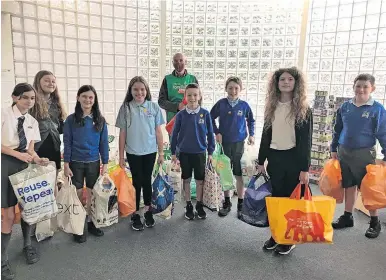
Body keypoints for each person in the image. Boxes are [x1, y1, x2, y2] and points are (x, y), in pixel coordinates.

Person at [257, 67, 313, 255]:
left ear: (296, 83)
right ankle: (275, 235)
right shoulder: (271, 106)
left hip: (294, 159)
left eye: (290, 79)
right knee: (276, 200)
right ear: (276, 83)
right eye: (282, 79)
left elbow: (306, 141)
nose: (286, 82)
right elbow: (265, 135)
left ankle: (288, 238)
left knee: (290, 201)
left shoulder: (303, 109)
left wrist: (305, 168)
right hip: (275, 157)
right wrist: (260, 160)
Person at [1, 83, 49, 280]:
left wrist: (38, 159)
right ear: (14, 97)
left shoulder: (32, 121)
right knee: (9, 215)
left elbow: (30, 149)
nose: (29, 101)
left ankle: (27, 245)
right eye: (25, 97)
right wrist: (17, 155)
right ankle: (2, 259)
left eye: (32, 98)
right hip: (6, 164)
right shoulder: (3, 114)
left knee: (28, 208)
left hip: (25, 166)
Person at [331, 73, 386, 239]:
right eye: (358, 86)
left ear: (372, 88)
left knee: (367, 187)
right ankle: (347, 216)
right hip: (344, 151)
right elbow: (337, 129)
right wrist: (334, 148)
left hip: (364, 153)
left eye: (365, 86)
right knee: (349, 184)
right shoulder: (345, 107)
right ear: (353, 87)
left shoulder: (377, 109)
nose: (361, 89)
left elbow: (383, 133)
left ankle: (374, 222)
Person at [116, 76, 165, 231]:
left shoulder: (154, 107)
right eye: (136, 89)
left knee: (147, 181)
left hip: (150, 151)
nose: (139, 92)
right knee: (136, 182)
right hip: (133, 151)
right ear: (131, 91)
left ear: (147, 91)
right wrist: (121, 156)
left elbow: (158, 131)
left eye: (142, 89)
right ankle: (135, 213)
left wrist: (161, 152)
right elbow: (122, 133)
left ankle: (149, 210)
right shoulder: (126, 108)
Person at [63, 85, 109, 243]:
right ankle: (78, 225)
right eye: (84, 96)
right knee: (77, 195)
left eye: (91, 97)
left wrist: (106, 163)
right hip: (75, 162)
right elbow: (67, 142)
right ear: (78, 98)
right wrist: (66, 163)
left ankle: (90, 222)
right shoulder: (70, 119)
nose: (87, 100)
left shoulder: (100, 120)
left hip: (93, 162)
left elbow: (104, 144)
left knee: (90, 194)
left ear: (94, 100)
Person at [210, 77, 256, 218]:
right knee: (225, 174)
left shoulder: (244, 106)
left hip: (239, 145)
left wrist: (252, 135)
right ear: (226, 89)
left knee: (238, 173)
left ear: (240, 89)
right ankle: (227, 202)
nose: (233, 91)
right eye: (230, 88)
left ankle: (241, 203)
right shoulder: (221, 104)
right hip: (224, 145)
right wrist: (216, 132)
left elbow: (251, 120)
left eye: (236, 88)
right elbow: (210, 118)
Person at [170, 83, 215, 220]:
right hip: (184, 153)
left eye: (195, 95)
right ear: (185, 97)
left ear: (199, 96)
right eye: (189, 95)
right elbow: (174, 134)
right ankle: (189, 204)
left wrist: (211, 153)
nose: (192, 97)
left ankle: (199, 205)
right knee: (187, 179)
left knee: (200, 180)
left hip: (200, 153)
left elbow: (211, 134)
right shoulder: (181, 115)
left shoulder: (205, 114)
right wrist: (173, 152)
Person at [31, 70, 67, 171]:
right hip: (37, 148)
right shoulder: (31, 103)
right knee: (38, 180)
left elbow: (60, 127)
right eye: (47, 81)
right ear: (38, 82)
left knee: (53, 178)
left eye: (53, 81)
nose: (51, 83)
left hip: (55, 146)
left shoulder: (56, 103)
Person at [158, 53, 199, 124]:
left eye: (181, 60)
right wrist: (177, 106)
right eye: (175, 61)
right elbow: (161, 101)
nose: (178, 63)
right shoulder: (167, 79)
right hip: (173, 119)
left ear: (186, 62)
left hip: (190, 118)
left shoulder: (192, 79)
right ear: (172, 63)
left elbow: (199, 99)